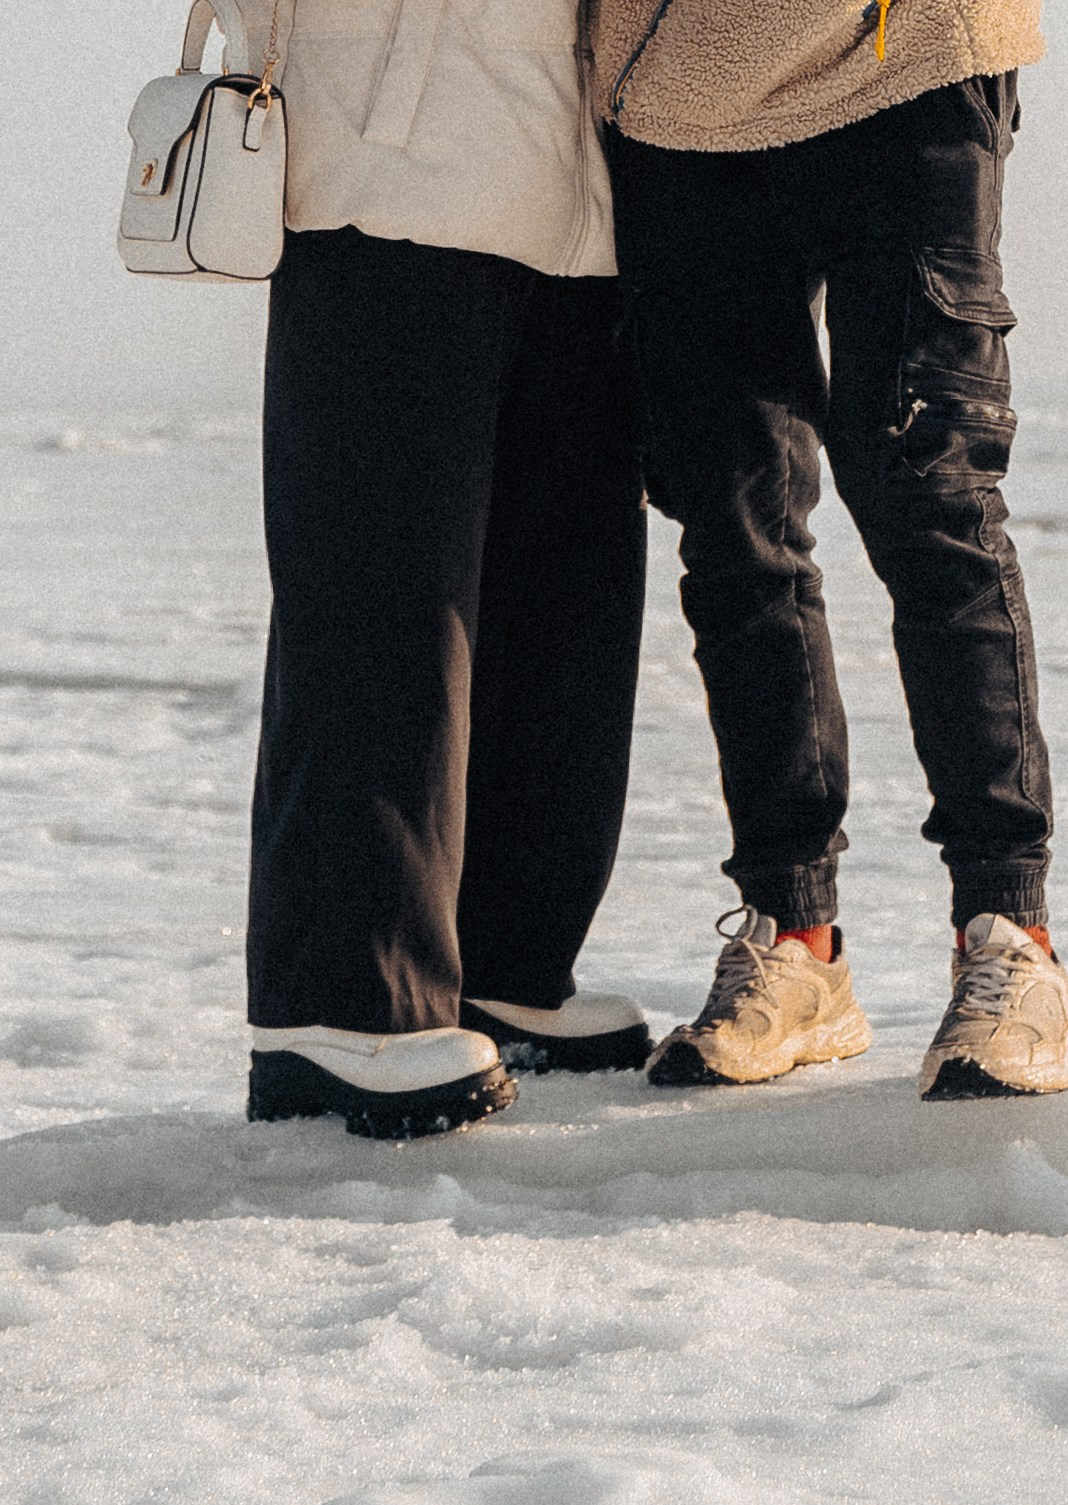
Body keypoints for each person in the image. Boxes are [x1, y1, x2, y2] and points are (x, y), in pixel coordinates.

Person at [594, 0, 1068, 1100]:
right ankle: (796, 945)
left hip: (901, 57)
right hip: (675, 98)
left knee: (928, 491)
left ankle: (1010, 934)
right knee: (736, 524)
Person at [233, 0, 653, 1139]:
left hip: (580, 174)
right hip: (391, 146)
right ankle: (340, 1004)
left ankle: (504, 964)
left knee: (564, 597)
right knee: (385, 592)